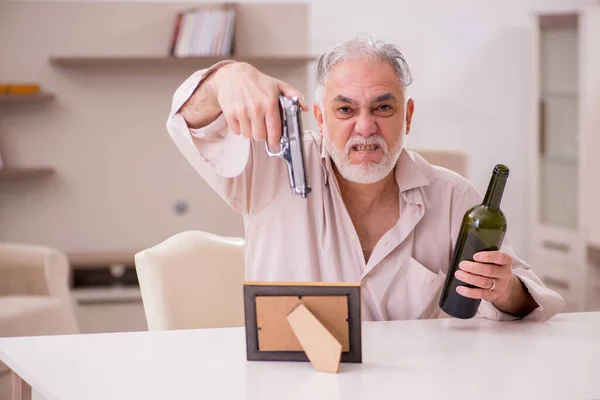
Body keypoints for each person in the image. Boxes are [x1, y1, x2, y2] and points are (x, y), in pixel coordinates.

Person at [166, 32, 564, 321]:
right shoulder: (273, 166)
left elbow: (531, 301)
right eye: (345, 110)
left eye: (383, 108)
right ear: (319, 119)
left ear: (407, 116)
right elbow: (192, 124)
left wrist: (506, 291)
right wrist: (225, 79)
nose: (365, 127)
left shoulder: (455, 197)